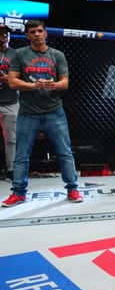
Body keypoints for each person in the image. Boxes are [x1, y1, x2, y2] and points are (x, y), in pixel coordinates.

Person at [2, 20, 83, 207]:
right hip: (28, 112)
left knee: (65, 152)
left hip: (54, 111)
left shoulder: (57, 55)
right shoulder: (20, 55)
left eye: (40, 31)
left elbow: (65, 82)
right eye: (33, 32)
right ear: (27, 35)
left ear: (46, 33)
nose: (37, 34)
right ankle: (19, 193)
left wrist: (52, 84)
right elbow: (13, 82)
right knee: (21, 154)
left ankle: (73, 188)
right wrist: (34, 85)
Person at [0, 24, 18, 181]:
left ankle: (11, 169)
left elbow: (23, 77)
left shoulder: (16, 54)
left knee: (11, 138)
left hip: (10, 101)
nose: (4, 36)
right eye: (0, 33)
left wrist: (8, 79)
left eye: (6, 33)